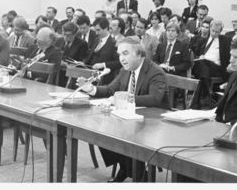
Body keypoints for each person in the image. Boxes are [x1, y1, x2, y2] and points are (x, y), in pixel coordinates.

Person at [77, 36, 169, 182]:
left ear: (139, 54)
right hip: (129, 118)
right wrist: (91, 89)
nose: (121, 58)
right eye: (119, 54)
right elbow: (110, 89)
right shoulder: (125, 70)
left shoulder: (154, 71)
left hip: (153, 122)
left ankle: (133, 172)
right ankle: (127, 167)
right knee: (102, 130)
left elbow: (155, 99)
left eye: (125, 53)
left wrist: (125, 98)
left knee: (122, 132)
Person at [191, 20, 231, 108]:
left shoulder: (225, 41)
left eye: (217, 32)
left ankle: (198, 100)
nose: (214, 33)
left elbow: (228, 56)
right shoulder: (203, 39)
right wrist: (201, 55)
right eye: (213, 30)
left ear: (220, 32)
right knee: (202, 63)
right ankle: (206, 93)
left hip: (216, 68)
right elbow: (195, 50)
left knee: (203, 64)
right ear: (210, 28)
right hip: (203, 68)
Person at [83, 17, 121, 85]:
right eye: (95, 30)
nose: (96, 33)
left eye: (98, 30)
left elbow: (118, 63)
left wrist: (103, 64)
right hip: (90, 75)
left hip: (104, 79)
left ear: (106, 28)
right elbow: (90, 56)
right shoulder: (96, 40)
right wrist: (83, 63)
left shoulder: (114, 43)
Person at [58, 22, 89, 87]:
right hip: (58, 71)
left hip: (72, 75)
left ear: (74, 34)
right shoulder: (59, 41)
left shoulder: (82, 44)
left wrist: (68, 64)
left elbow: (82, 62)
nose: (65, 37)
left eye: (68, 35)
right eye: (64, 34)